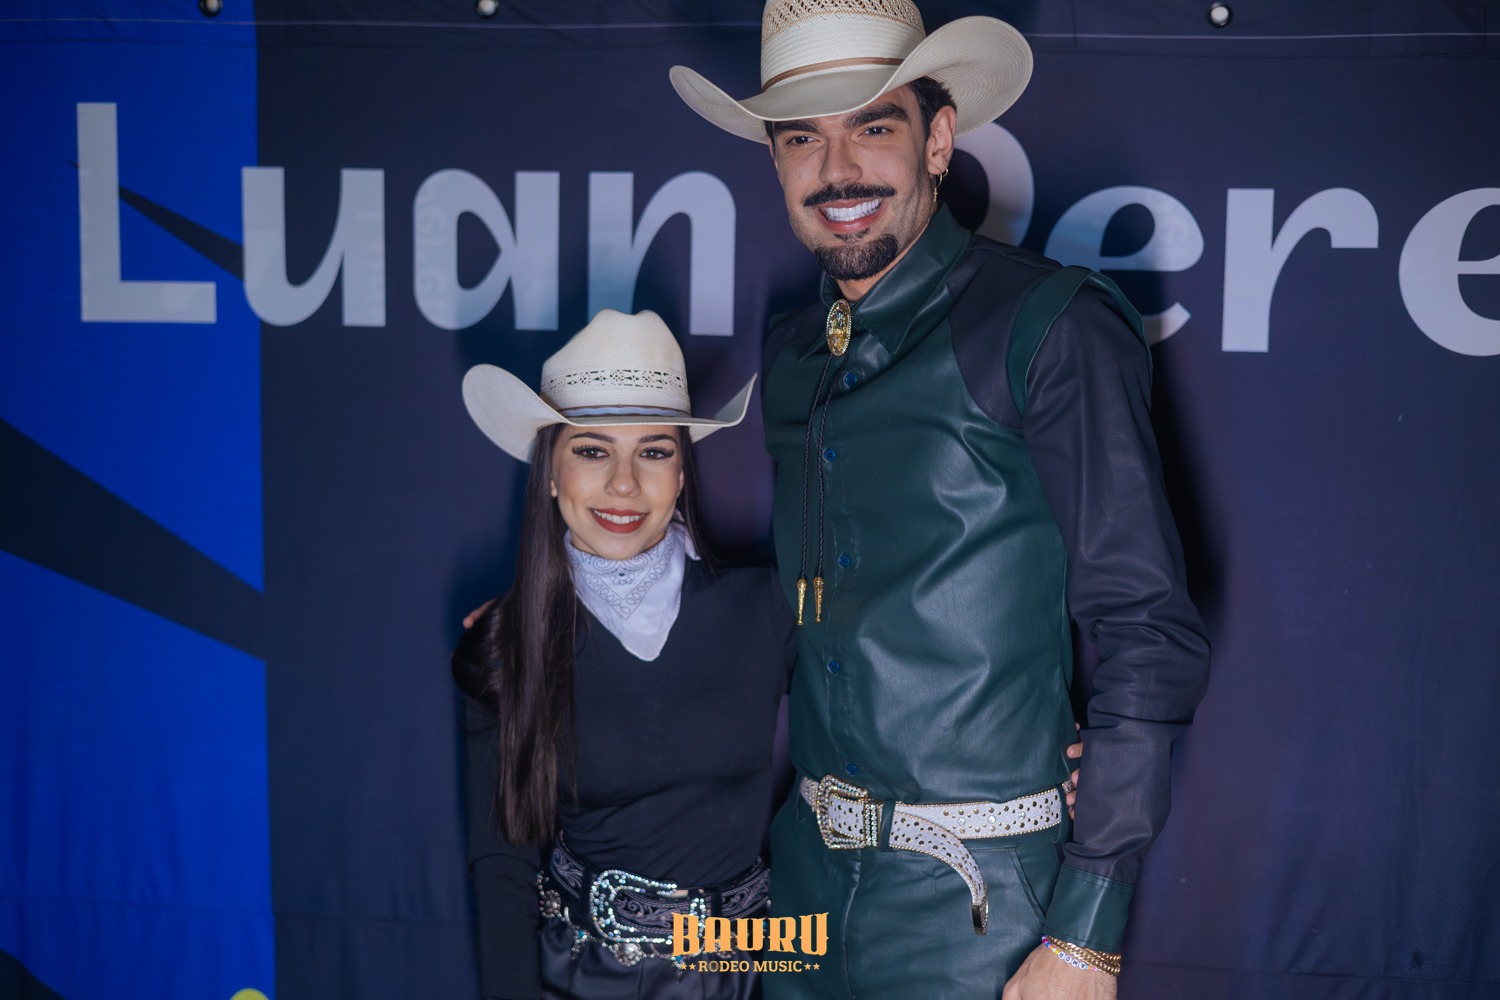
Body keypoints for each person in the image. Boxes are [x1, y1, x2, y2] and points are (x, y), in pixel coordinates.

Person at [669, 2, 1212, 998]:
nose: (837, 171)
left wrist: (1087, 935)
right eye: (801, 138)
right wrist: (571, 619)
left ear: (938, 139)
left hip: (984, 911)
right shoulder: (791, 352)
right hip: (800, 891)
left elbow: (1148, 627)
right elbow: (819, 603)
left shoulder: (1050, 324)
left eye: (872, 126)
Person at [451, 308, 793, 1000]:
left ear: (682, 472)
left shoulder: (769, 606)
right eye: (592, 450)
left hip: (757, 976)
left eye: (654, 451)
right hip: (584, 979)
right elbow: (502, 867)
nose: (624, 484)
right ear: (550, 472)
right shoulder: (506, 643)